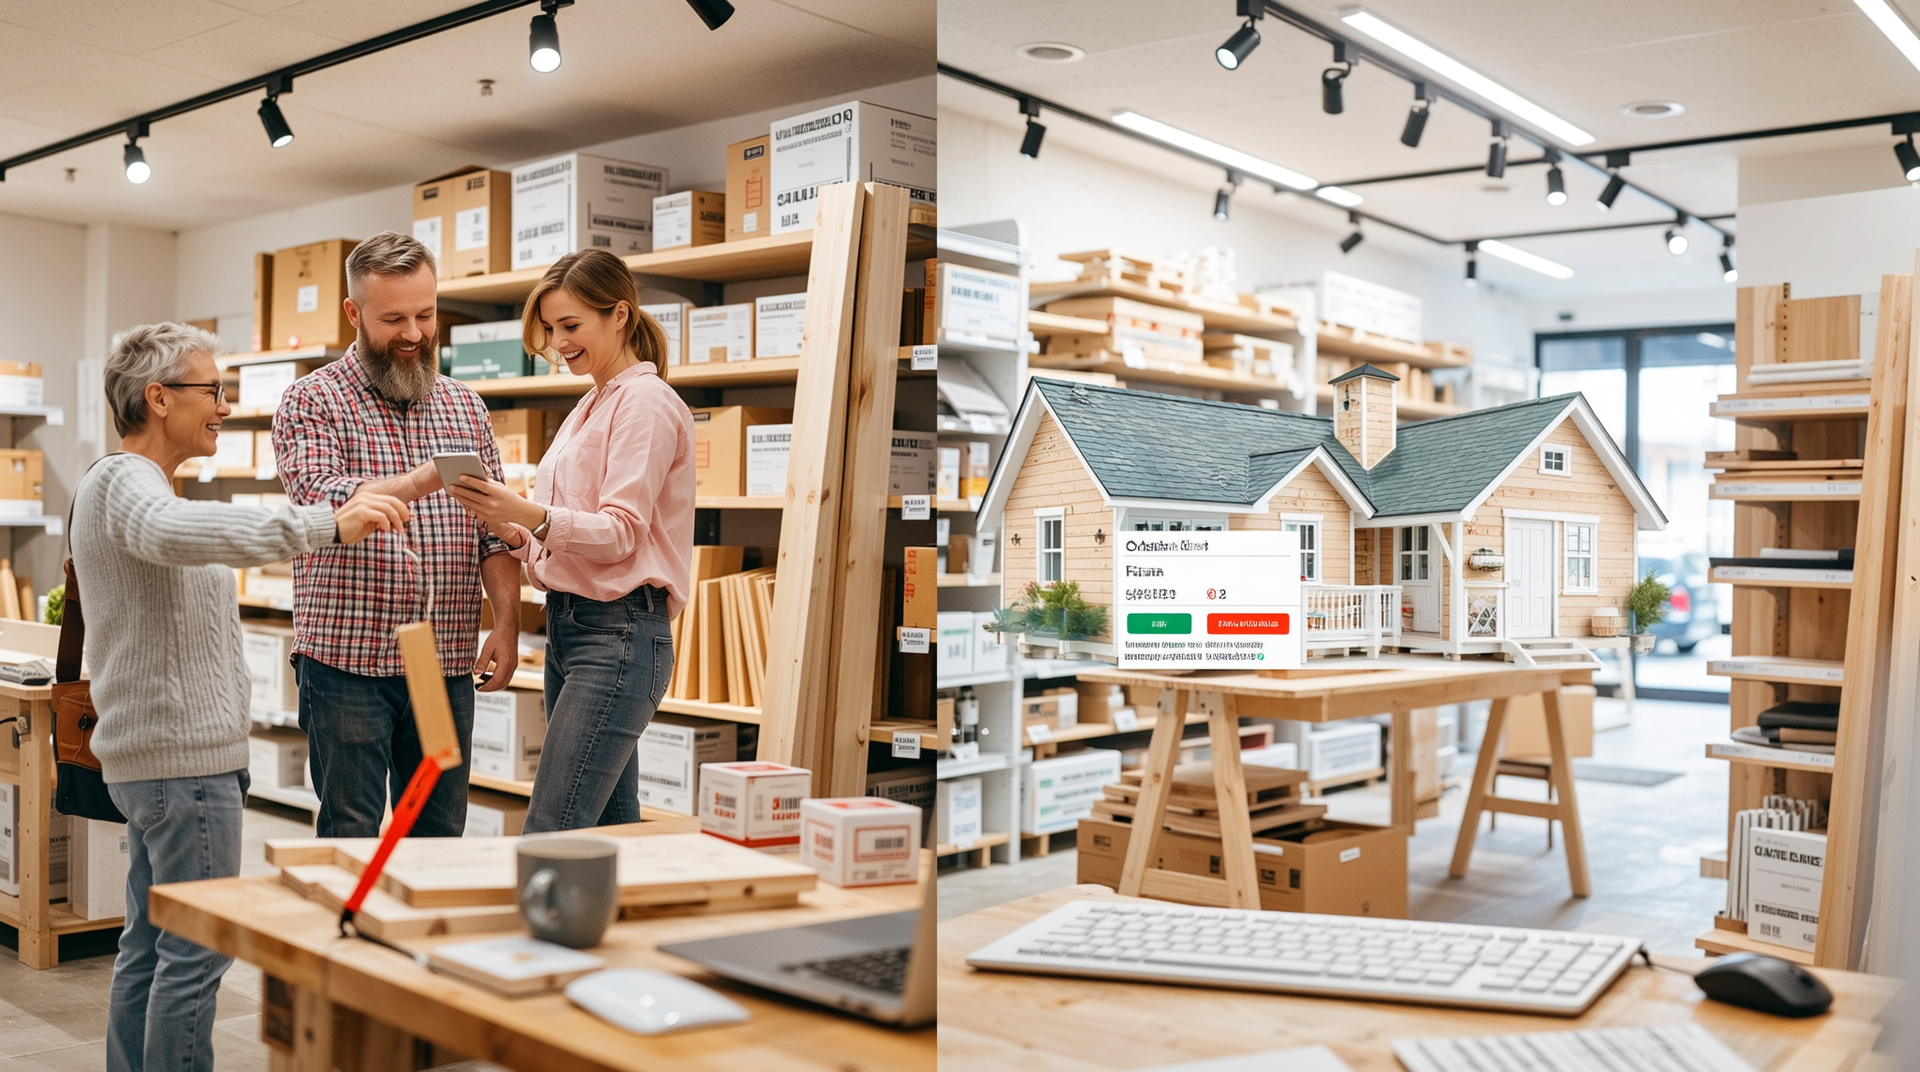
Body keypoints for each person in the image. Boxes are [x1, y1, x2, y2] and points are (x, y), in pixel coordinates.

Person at [74, 322, 409, 1072]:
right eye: (213, 391)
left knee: (153, 946)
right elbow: (168, 531)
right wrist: (326, 523)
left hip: (163, 762)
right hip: (180, 765)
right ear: (158, 398)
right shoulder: (129, 484)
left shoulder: (134, 485)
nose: (224, 407)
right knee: (195, 955)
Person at [274, 231, 520, 839]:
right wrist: (423, 479)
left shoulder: (466, 408)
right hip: (348, 666)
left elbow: (494, 531)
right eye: (393, 318)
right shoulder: (313, 401)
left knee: (439, 832)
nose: (413, 332)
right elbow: (321, 502)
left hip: (442, 664)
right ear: (354, 314)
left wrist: (509, 622)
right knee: (351, 834)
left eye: (426, 314)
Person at [447, 249, 694, 832]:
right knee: (610, 829)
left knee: (553, 829)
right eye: (552, 329)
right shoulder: (592, 402)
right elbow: (571, 529)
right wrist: (514, 528)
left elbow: (622, 532)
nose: (558, 342)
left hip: (618, 635)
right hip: (572, 630)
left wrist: (530, 515)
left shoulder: (646, 403)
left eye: (571, 326)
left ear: (620, 316)